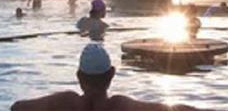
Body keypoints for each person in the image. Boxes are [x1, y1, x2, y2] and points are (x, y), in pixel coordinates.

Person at [11, 43, 209, 111]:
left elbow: (17, 107)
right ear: (112, 74)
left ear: (79, 76)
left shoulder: (67, 102)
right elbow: (173, 109)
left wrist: (56, 102)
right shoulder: (121, 106)